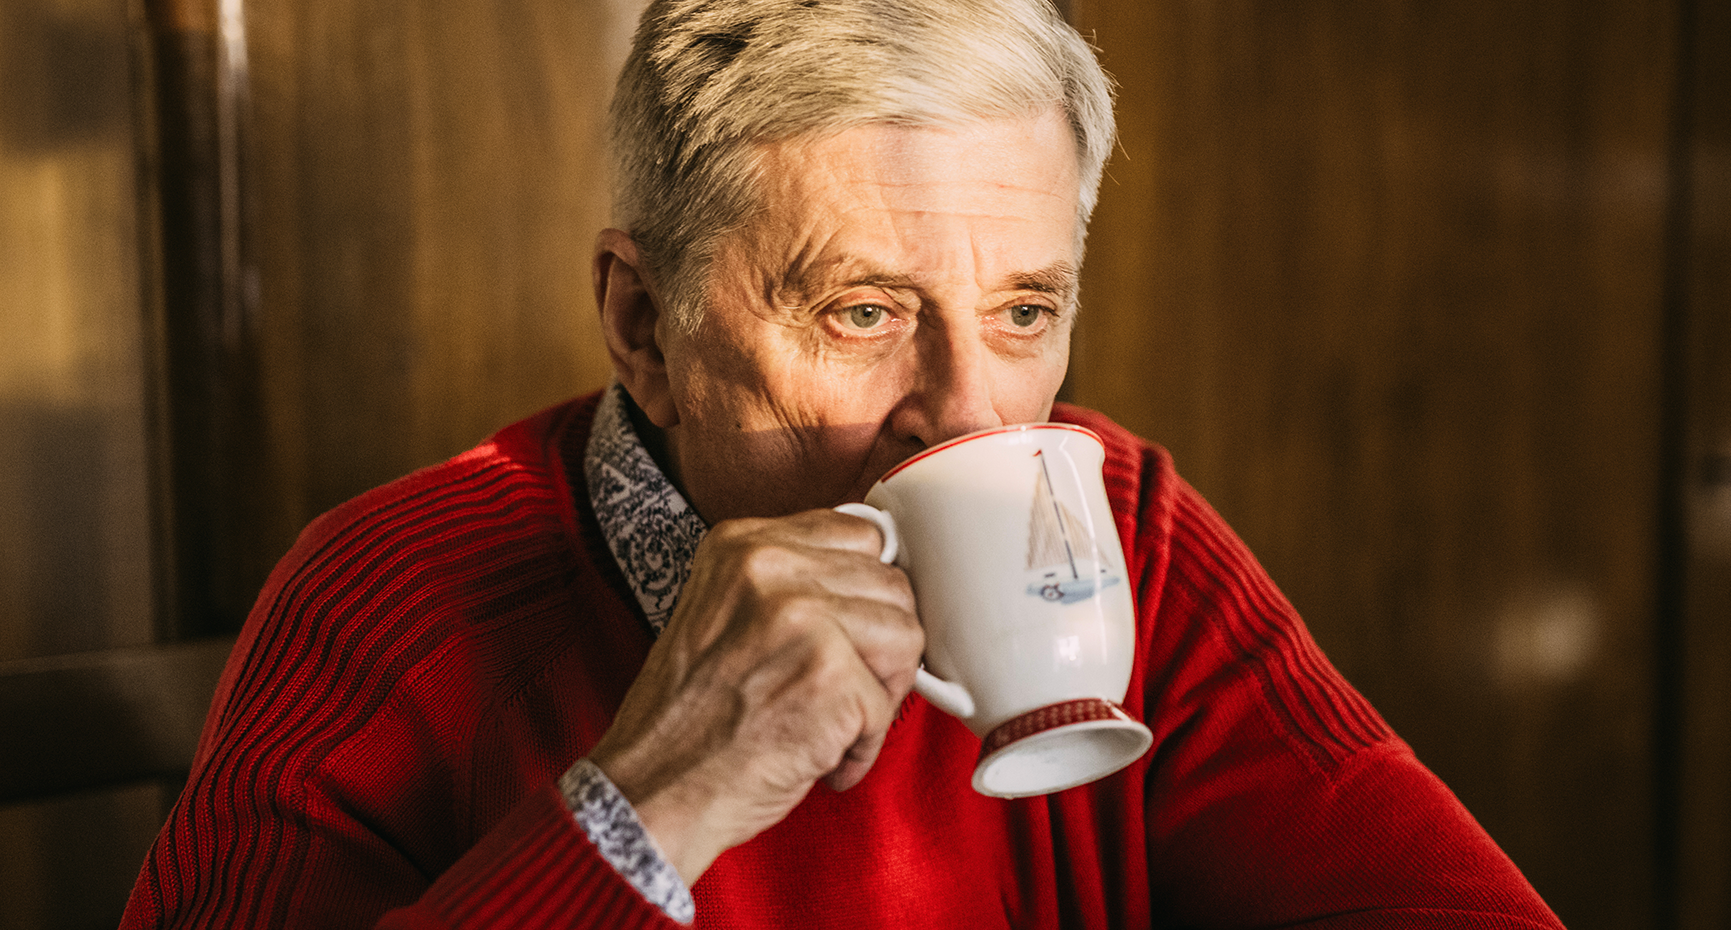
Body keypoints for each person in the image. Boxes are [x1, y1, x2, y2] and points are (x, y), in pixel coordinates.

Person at [122, 1, 1565, 927]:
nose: (971, 413)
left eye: (1025, 311)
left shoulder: (1111, 523)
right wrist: (648, 804)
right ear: (646, 324)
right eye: (863, 311)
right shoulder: (392, 595)